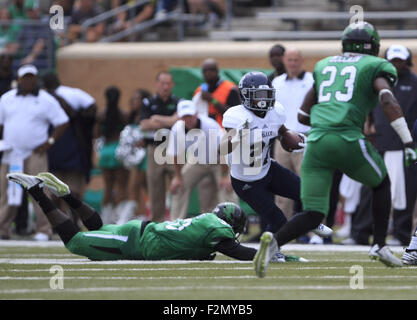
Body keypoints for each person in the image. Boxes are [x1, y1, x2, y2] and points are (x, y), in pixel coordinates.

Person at [254, 22, 417, 276]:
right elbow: (387, 99)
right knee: (382, 183)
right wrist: (407, 141)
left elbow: (303, 114)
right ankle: (380, 245)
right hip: (346, 137)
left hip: (317, 141)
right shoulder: (375, 66)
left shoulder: (324, 65)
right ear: (373, 46)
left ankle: (273, 242)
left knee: (313, 212)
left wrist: (327, 114)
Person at [7, 171, 273, 262]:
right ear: (229, 223)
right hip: (135, 243)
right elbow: (237, 251)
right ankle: (37, 191)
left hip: (141, 231)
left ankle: (66, 195)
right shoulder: (218, 232)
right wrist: (272, 254)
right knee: (75, 242)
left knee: (101, 227)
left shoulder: (205, 221)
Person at [220, 71, 332, 258]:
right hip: (246, 180)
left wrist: (289, 139)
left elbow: (281, 132)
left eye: (266, 95)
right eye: (259, 96)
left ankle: (311, 223)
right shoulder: (236, 116)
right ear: (246, 96)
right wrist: (239, 135)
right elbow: (222, 149)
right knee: (278, 219)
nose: (263, 100)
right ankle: (271, 252)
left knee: (307, 194)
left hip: (268, 169)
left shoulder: (275, 111)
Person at [0, 64, 69, 240]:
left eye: (32, 77)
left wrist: (50, 142)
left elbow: (62, 121)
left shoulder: (46, 99)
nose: (29, 81)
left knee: (40, 191)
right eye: (26, 77)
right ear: (19, 79)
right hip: (11, 153)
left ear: (36, 79)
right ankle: (2, 228)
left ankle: (43, 229)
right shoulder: (7, 98)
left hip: (35, 152)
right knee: (7, 192)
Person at [42, 72, 97, 225]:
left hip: (67, 148)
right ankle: (69, 222)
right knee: (65, 191)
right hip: (63, 148)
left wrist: (79, 119)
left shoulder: (65, 94)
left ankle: (65, 223)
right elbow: (92, 107)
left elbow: (92, 109)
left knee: (64, 190)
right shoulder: (72, 93)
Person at [272, 47, 314, 220]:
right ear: (284, 61)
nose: (293, 63)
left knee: (309, 185)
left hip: (305, 138)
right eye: (289, 60)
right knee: (281, 187)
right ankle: (282, 228)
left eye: (296, 60)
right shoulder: (277, 82)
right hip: (282, 138)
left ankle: (313, 230)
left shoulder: (312, 80)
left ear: (302, 61)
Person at [168, 100, 224, 220]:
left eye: (190, 115)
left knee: (227, 187)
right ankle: (174, 225)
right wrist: (178, 178)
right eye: (184, 116)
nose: (188, 119)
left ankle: (232, 226)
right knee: (179, 186)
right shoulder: (177, 129)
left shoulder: (210, 125)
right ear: (179, 117)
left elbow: (225, 150)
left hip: (220, 160)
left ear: (196, 114)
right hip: (198, 159)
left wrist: (226, 176)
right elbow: (175, 155)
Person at [139, 71, 179, 222]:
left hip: (173, 148)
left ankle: (177, 219)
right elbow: (144, 125)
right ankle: (157, 222)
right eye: (162, 83)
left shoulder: (177, 102)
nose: (165, 87)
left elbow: (178, 121)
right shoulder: (148, 103)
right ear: (157, 84)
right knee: (155, 187)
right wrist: (170, 120)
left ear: (172, 85)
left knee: (178, 184)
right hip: (155, 148)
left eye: (168, 83)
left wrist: (157, 119)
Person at [96, 86, 129, 224]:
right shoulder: (123, 114)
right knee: (122, 185)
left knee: (108, 187)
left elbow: (96, 134)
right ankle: (120, 218)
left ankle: (105, 218)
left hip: (105, 151)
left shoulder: (101, 115)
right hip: (119, 150)